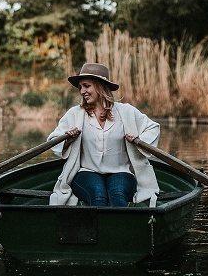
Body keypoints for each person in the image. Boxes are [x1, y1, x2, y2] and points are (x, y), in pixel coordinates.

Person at [47, 62, 161, 207]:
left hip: (121, 172)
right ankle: (98, 222)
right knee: (98, 196)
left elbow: (153, 128)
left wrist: (138, 140)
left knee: (117, 195)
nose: (82, 91)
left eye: (86, 86)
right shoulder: (75, 114)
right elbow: (54, 140)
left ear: (100, 86)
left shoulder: (126, 112)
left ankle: (120, 222)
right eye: (80, 87)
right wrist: (68, 140)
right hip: (86, 172)